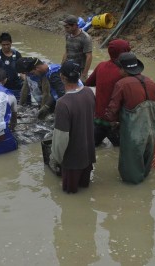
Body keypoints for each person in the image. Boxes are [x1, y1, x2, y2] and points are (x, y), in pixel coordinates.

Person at [103, 52, 155, 184]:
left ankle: (133, 196)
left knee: (131, 172)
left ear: (124, 69)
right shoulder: (152, 82)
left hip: (133, 133)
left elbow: (112, 111)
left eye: (120, 68)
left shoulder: (121, 84)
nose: (119, 71)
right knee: (145, 164)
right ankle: (145, 195)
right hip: (152, 131)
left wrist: (109, 121)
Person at [50, 60, 96, 194]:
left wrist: (56, 158)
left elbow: (61, 137)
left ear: (62, 77)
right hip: (88, 153)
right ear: (80, 74)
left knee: (70, 194)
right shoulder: (88, 92)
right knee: (85, 188)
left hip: (73, 159)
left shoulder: (62, 103)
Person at [85, 39, 131, 147]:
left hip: (98, 119)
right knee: (121, 150)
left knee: (92, 147)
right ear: (124, 52)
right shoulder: (126, 73)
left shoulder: (101, 66)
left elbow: (88, 82)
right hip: (115, 122)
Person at [0, 32, 23, 100]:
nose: (6, 47)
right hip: (2, 88)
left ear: (11, 43)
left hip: (16, 87)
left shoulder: (17, 55)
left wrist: (27, 83)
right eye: (3, 45)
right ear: (0, 44)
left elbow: (22, 72)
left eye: (8, 44)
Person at [60, 14, 93, 82]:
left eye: (67, 27)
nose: (65, 29)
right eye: (65, 27)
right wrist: (62, 67)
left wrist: (84, 74)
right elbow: (67, 51)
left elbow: (89, 56)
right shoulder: (68, 35)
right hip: (68, 67)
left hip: (79, 70)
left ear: (75, 25)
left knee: (79, 90)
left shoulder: (85, 38)